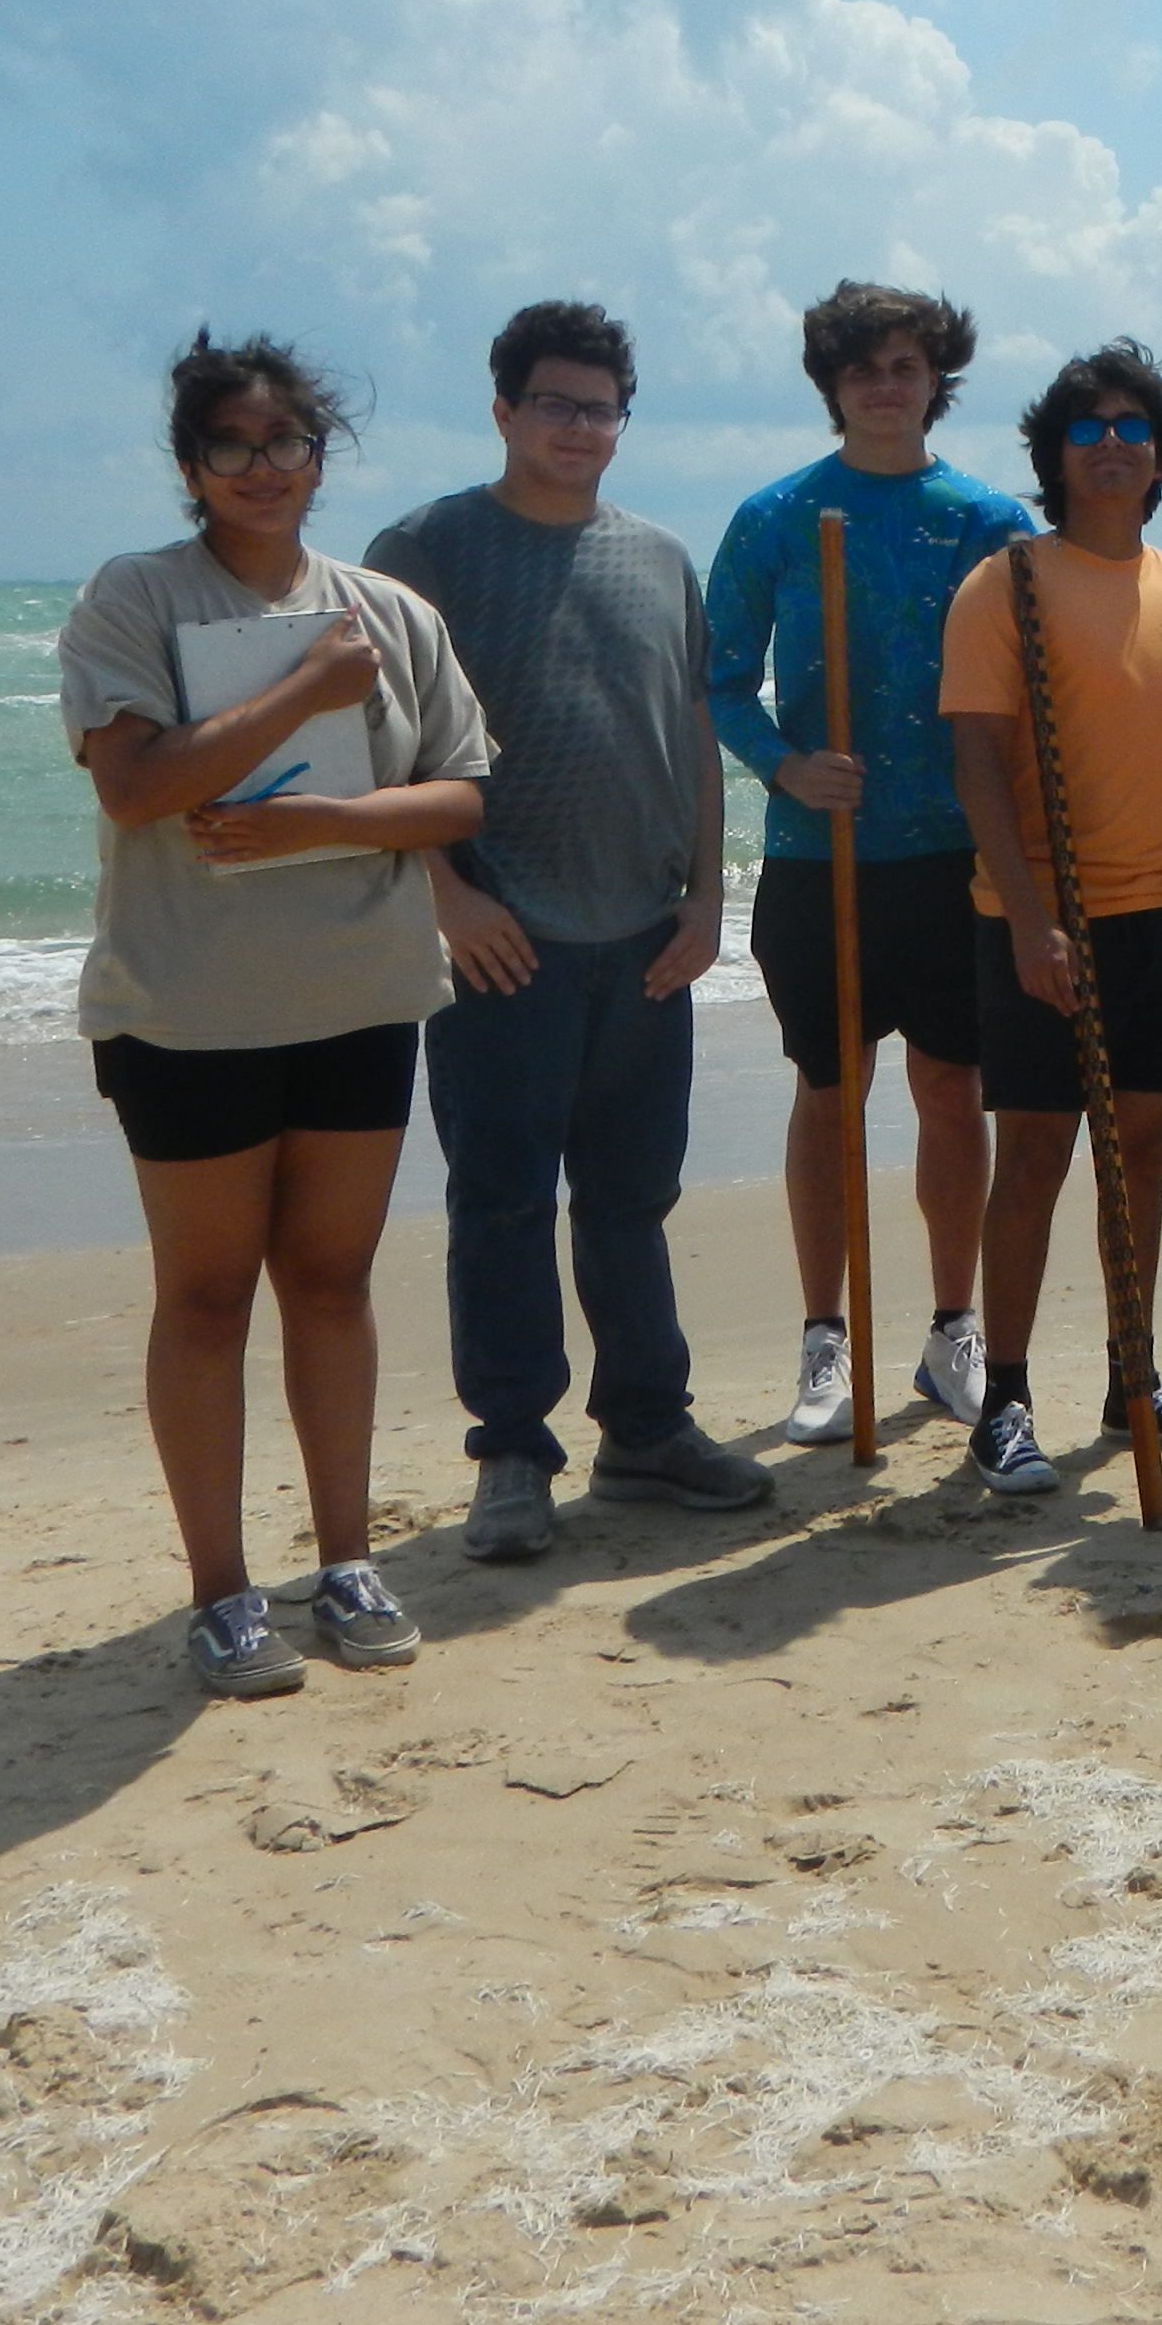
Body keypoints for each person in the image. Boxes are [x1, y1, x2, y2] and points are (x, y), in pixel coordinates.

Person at [59, 333, 491, 1698]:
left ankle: (349, 1559)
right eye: (233, 446)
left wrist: (331, 818)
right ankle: (222, 1589)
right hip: (185, 1008)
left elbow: (463, 794)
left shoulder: (387, 610)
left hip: (359, 999)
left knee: (333, 1282)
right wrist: (302, 694)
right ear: (192, 466)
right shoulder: (135, 598)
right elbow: (135, 790)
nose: (264, 468)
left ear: (323, 456)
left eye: (287, 443)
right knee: (202, 1297)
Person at [368, 302, 763, 1565]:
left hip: (646, 934)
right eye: (555, 404)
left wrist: (708, 897)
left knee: (633, 1199)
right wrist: (445, 890)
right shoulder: (424, 550)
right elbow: (378, 745)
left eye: (601, 409)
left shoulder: (656, 555)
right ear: (503, 409)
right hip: (501, 940)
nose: (579, 428)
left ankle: (646, 1427)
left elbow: (689, 735)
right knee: (499, 1201)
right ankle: (511, 1456)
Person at [939, 342, 1162, 1494]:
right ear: (1054, 455)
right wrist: (1032, 922)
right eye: (1087, 428)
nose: (1112, 443)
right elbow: (978, 765)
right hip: (1040, 921)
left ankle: (1133, 1378)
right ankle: (1005, 1399)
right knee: (1032, 1154)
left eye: (1132, 426)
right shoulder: (1008, 585)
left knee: (1140, 1158)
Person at [707, 283, 1034, 1445]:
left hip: (952, 858)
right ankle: (823, 1336)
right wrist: (785, 767)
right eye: (863, 370)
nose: (885, 386)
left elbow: (1036, 693)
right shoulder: (779, 517)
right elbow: (716, 680)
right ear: (832, 387)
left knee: (951, 1087)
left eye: (904, 366)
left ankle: (953, 1328)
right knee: (828, 1092)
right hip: (818, 854)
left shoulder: (991, 520)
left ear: (933, 379)